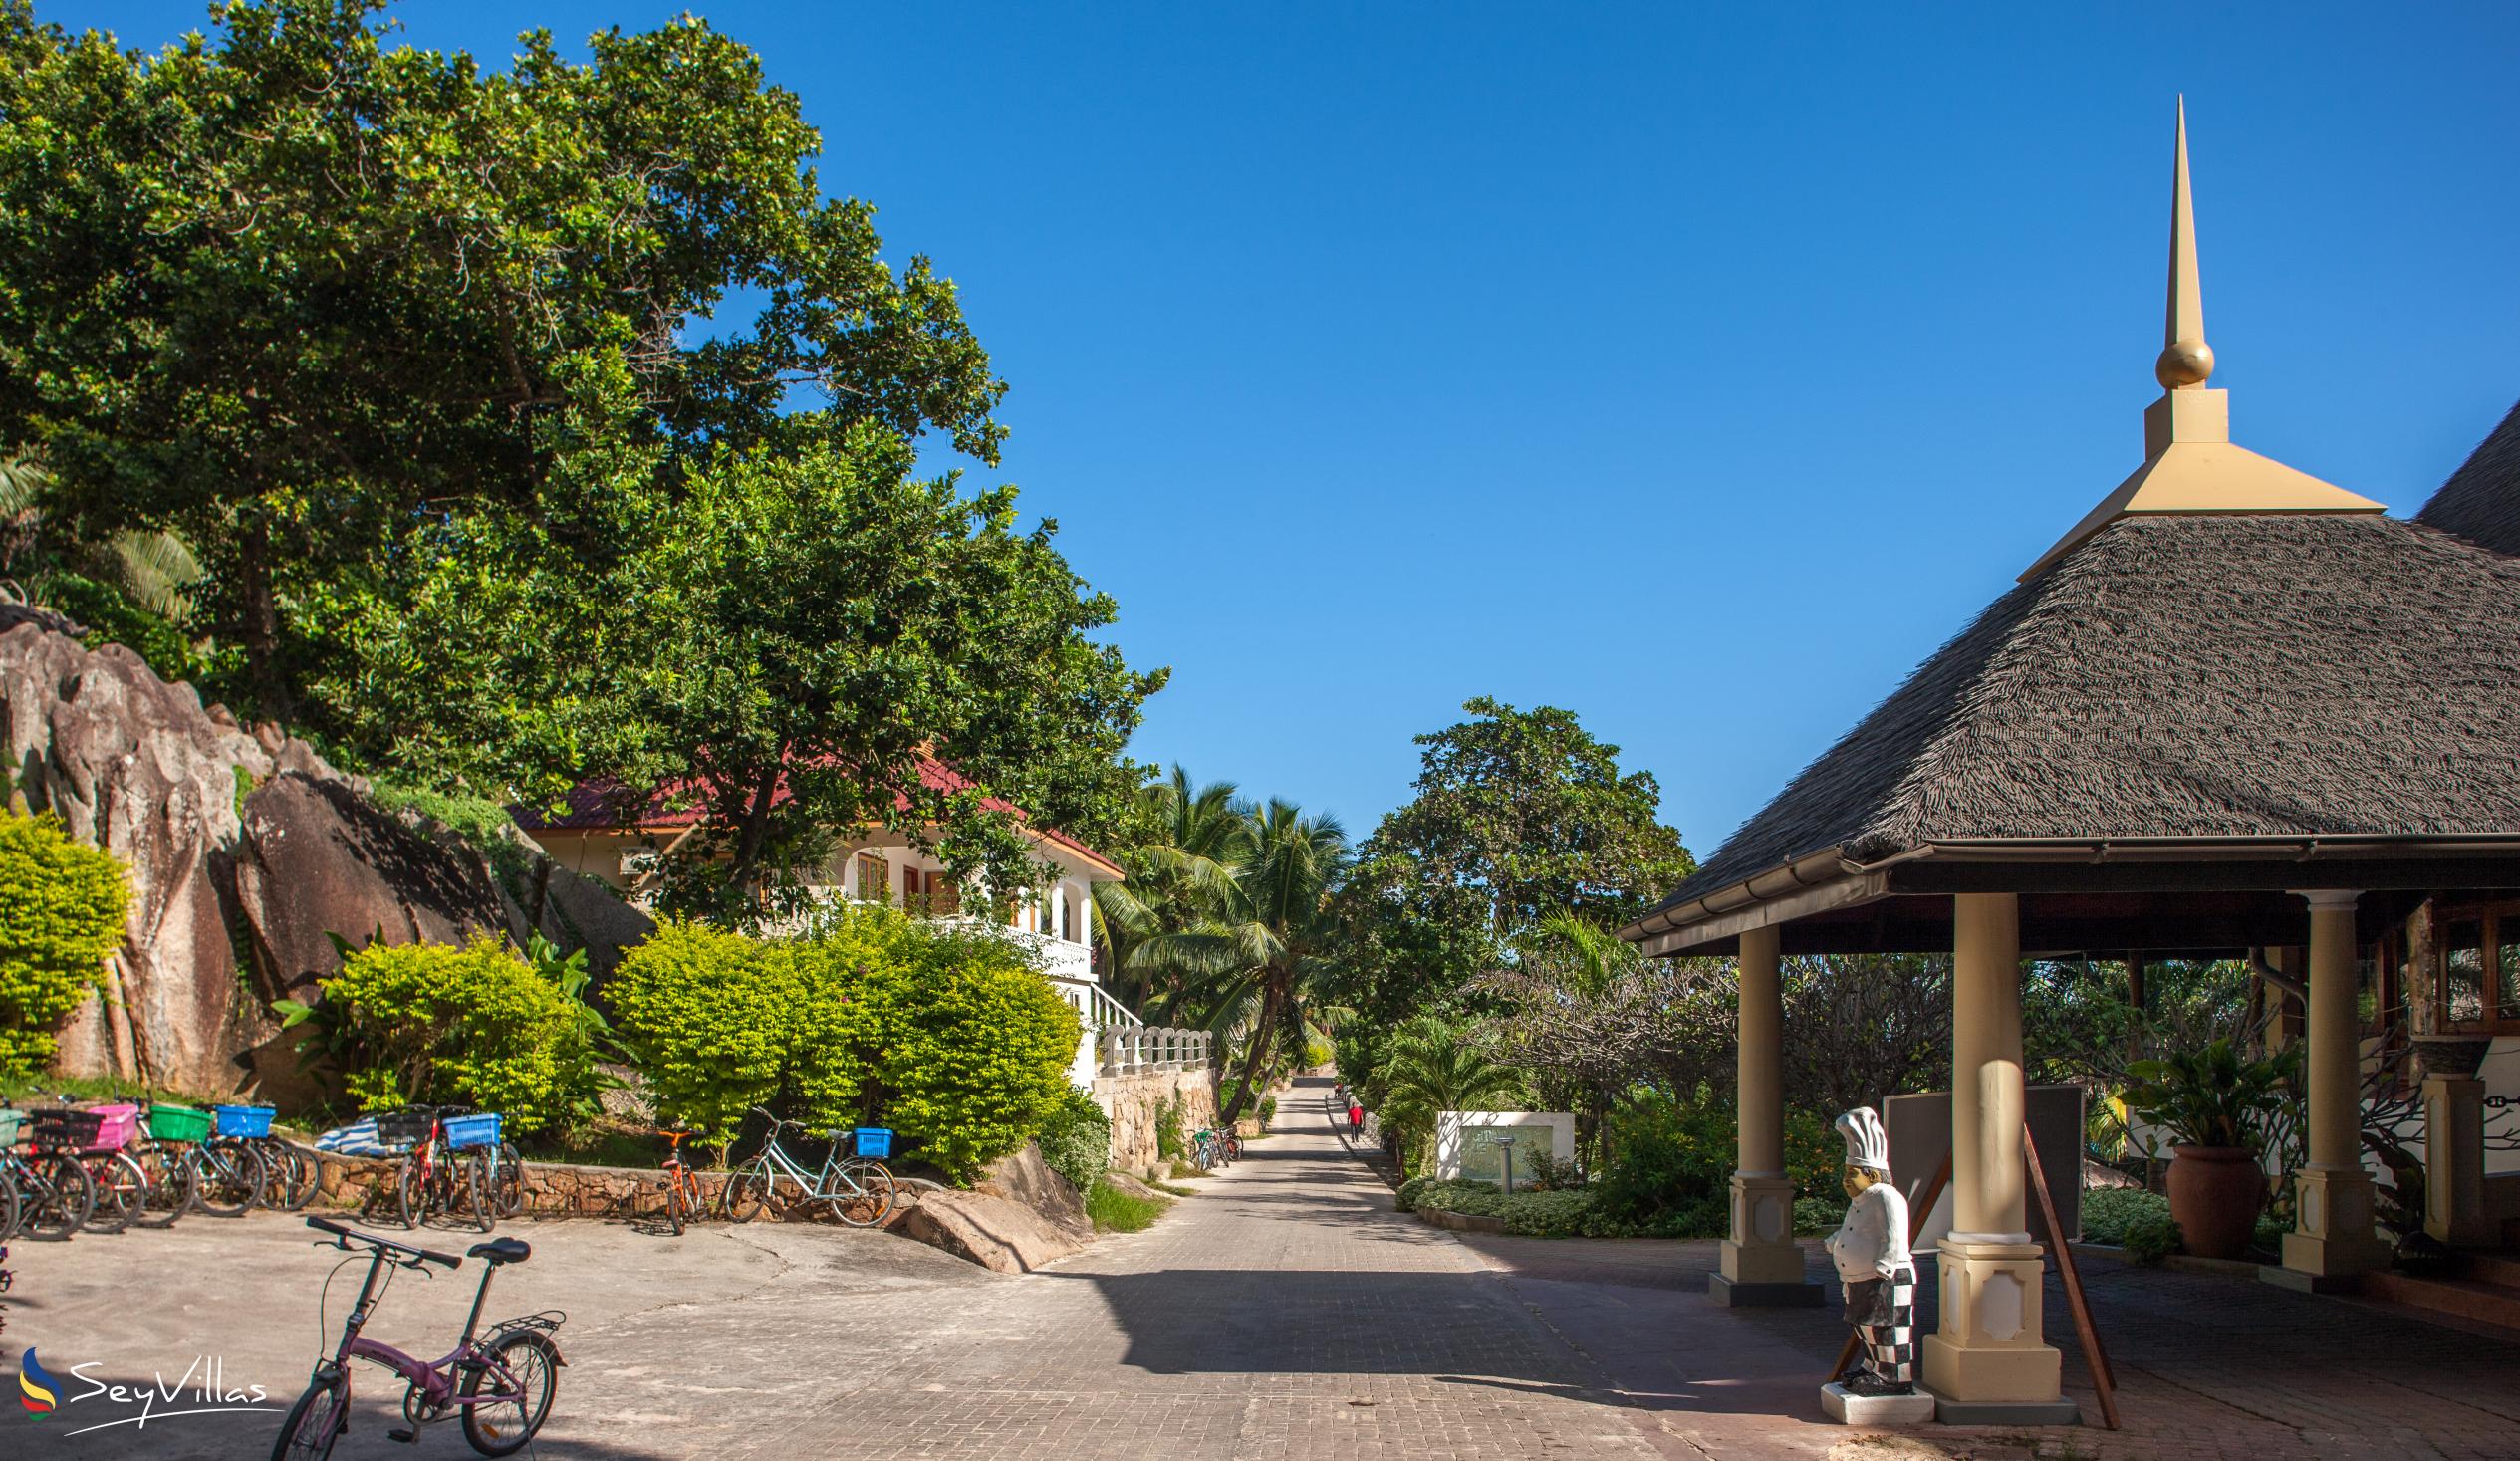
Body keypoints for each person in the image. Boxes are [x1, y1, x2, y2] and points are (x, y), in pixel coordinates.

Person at [1824, 1106, 1915, 1397]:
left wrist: (1885, 1266)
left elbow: (1895, 1234)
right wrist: (1836, 1242)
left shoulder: (1886, 1196)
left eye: (1852, 1174)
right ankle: (1873, 1367)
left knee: (1887, 1326)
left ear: (1871, 1173)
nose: (1846, 1180)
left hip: (1883, 1277)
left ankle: (1894, 1376)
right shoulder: (1862, 1200)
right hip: (1860, 1277)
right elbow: (1855, 1230)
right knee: (1865, 1325)